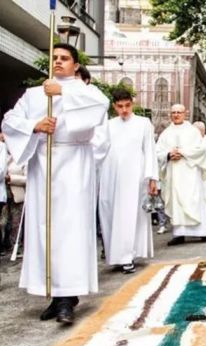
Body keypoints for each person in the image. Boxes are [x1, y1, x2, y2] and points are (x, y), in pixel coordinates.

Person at [2, 43, 109, 323]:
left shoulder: (84, 91)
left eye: (64, 58)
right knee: (45, 229)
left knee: (70, 229)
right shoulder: (34, 94)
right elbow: (10, 120)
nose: (58, 62)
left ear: (75, 65)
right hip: (43, 165)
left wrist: (62, 92)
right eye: (55, 58)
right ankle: (55, 293)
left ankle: (68, 298)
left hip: (74, 164)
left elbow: (101, 106)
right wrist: (35, 125)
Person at [98, 88, 158, 274]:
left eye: (127, 105)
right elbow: (100, 151)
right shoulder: (108, 125)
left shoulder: (143, 123)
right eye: (120, 106)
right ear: (114, 106)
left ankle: (128, 256)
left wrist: (152, 177)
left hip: (135, 176)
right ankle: (116, 256)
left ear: (132, 104)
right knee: (110, 214)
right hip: (111, 175)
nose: (124, 110)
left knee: (130, 216)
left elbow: (149, 150)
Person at [156, 104, 206, 246]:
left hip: (190, 173)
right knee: (177, 203)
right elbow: (158, 151)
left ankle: (202, 232)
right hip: (174, 174)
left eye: (179, 112)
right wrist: (169, 154)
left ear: (185, 113)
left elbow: (200, 150)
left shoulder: (193, 131)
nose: (176, 115)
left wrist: (182, 152)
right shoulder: (166, 133)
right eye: (173, 112)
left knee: (194, 200)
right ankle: (179, 234)